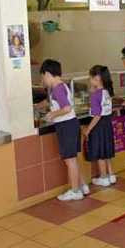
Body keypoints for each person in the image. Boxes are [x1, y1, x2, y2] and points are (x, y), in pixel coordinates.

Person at [38, 59, 87, 201]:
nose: (43, 80)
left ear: (47, 73)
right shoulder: (61, 86)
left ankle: (75, 191)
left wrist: (51, 114)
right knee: (72, 159)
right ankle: (80, 186)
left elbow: (66, 108)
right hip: (70, 125)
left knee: (69, 160)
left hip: (66, 126)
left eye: (42, 77)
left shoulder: (58, 88)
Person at [84, 65, 116, 187]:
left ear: (97, 79)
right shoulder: (106, 91)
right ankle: (111, 174)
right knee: (106, 150)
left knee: (100, 152)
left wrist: (88, 129)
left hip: (98, 125)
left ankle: (103, 177)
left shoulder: (95, 95)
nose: (89, 80)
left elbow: (97, 115)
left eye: (90, 77)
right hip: (107, 124)